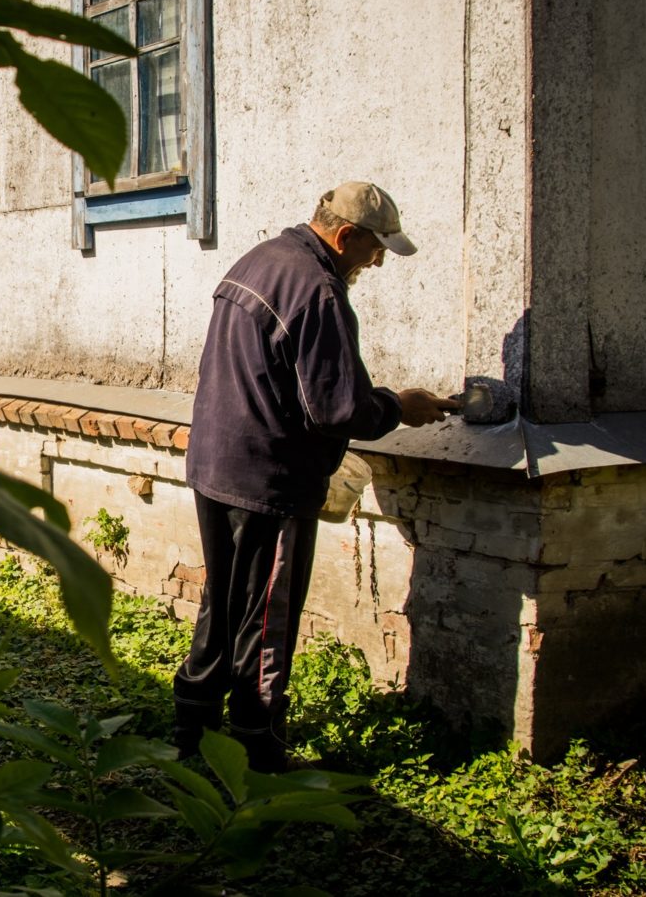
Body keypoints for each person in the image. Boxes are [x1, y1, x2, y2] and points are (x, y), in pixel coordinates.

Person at [173, 181, 458, 771]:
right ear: (345, 235)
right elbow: (336, 409)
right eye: (375, 249)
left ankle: (192, 730)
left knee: (223, 604)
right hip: (269, 480)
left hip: (216, 463)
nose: (377, 263)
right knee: (266, 619)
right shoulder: (318, 288)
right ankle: (258, 751)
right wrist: (399, 406)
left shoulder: (259, 260)